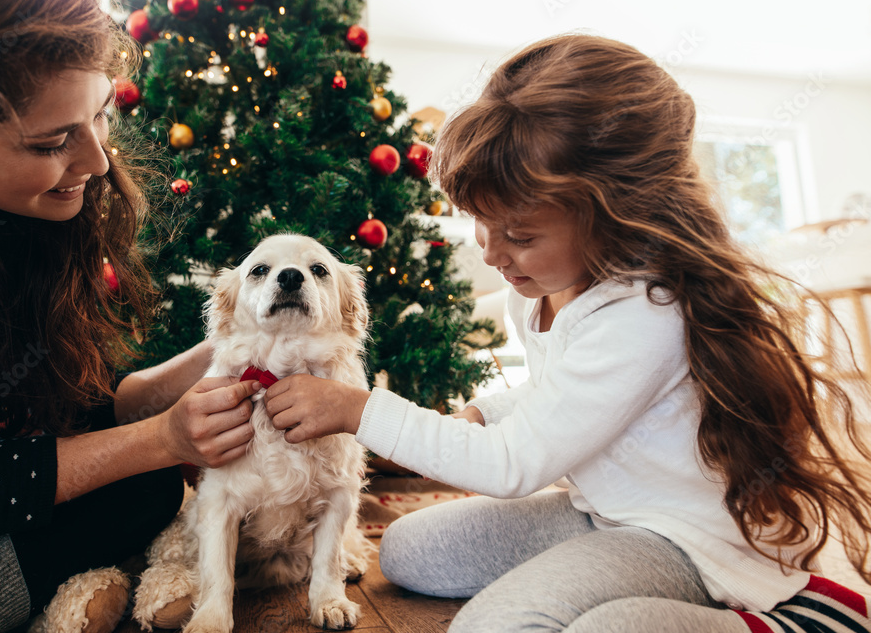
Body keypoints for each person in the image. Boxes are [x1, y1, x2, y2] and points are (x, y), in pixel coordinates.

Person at [265, 33, 871, 632]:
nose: (495, 253)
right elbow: (565, 392)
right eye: (482, 223)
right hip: (606, 512)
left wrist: (358, 410)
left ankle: (802, 620)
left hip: (688, 540)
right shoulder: (539, 292)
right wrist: (487, 411)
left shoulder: (645, 314)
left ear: (616, 215)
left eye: (522, 236)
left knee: (499, 627)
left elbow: (511, 468)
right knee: (408, 550)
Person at [0, 0, 259, 631]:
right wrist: (161, 442)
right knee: (140, 486)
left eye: (101, 115)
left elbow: (71, 413)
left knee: (138, 486)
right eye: (52, 143)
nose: (97, 159)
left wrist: (229, 345)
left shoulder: (15, 216)